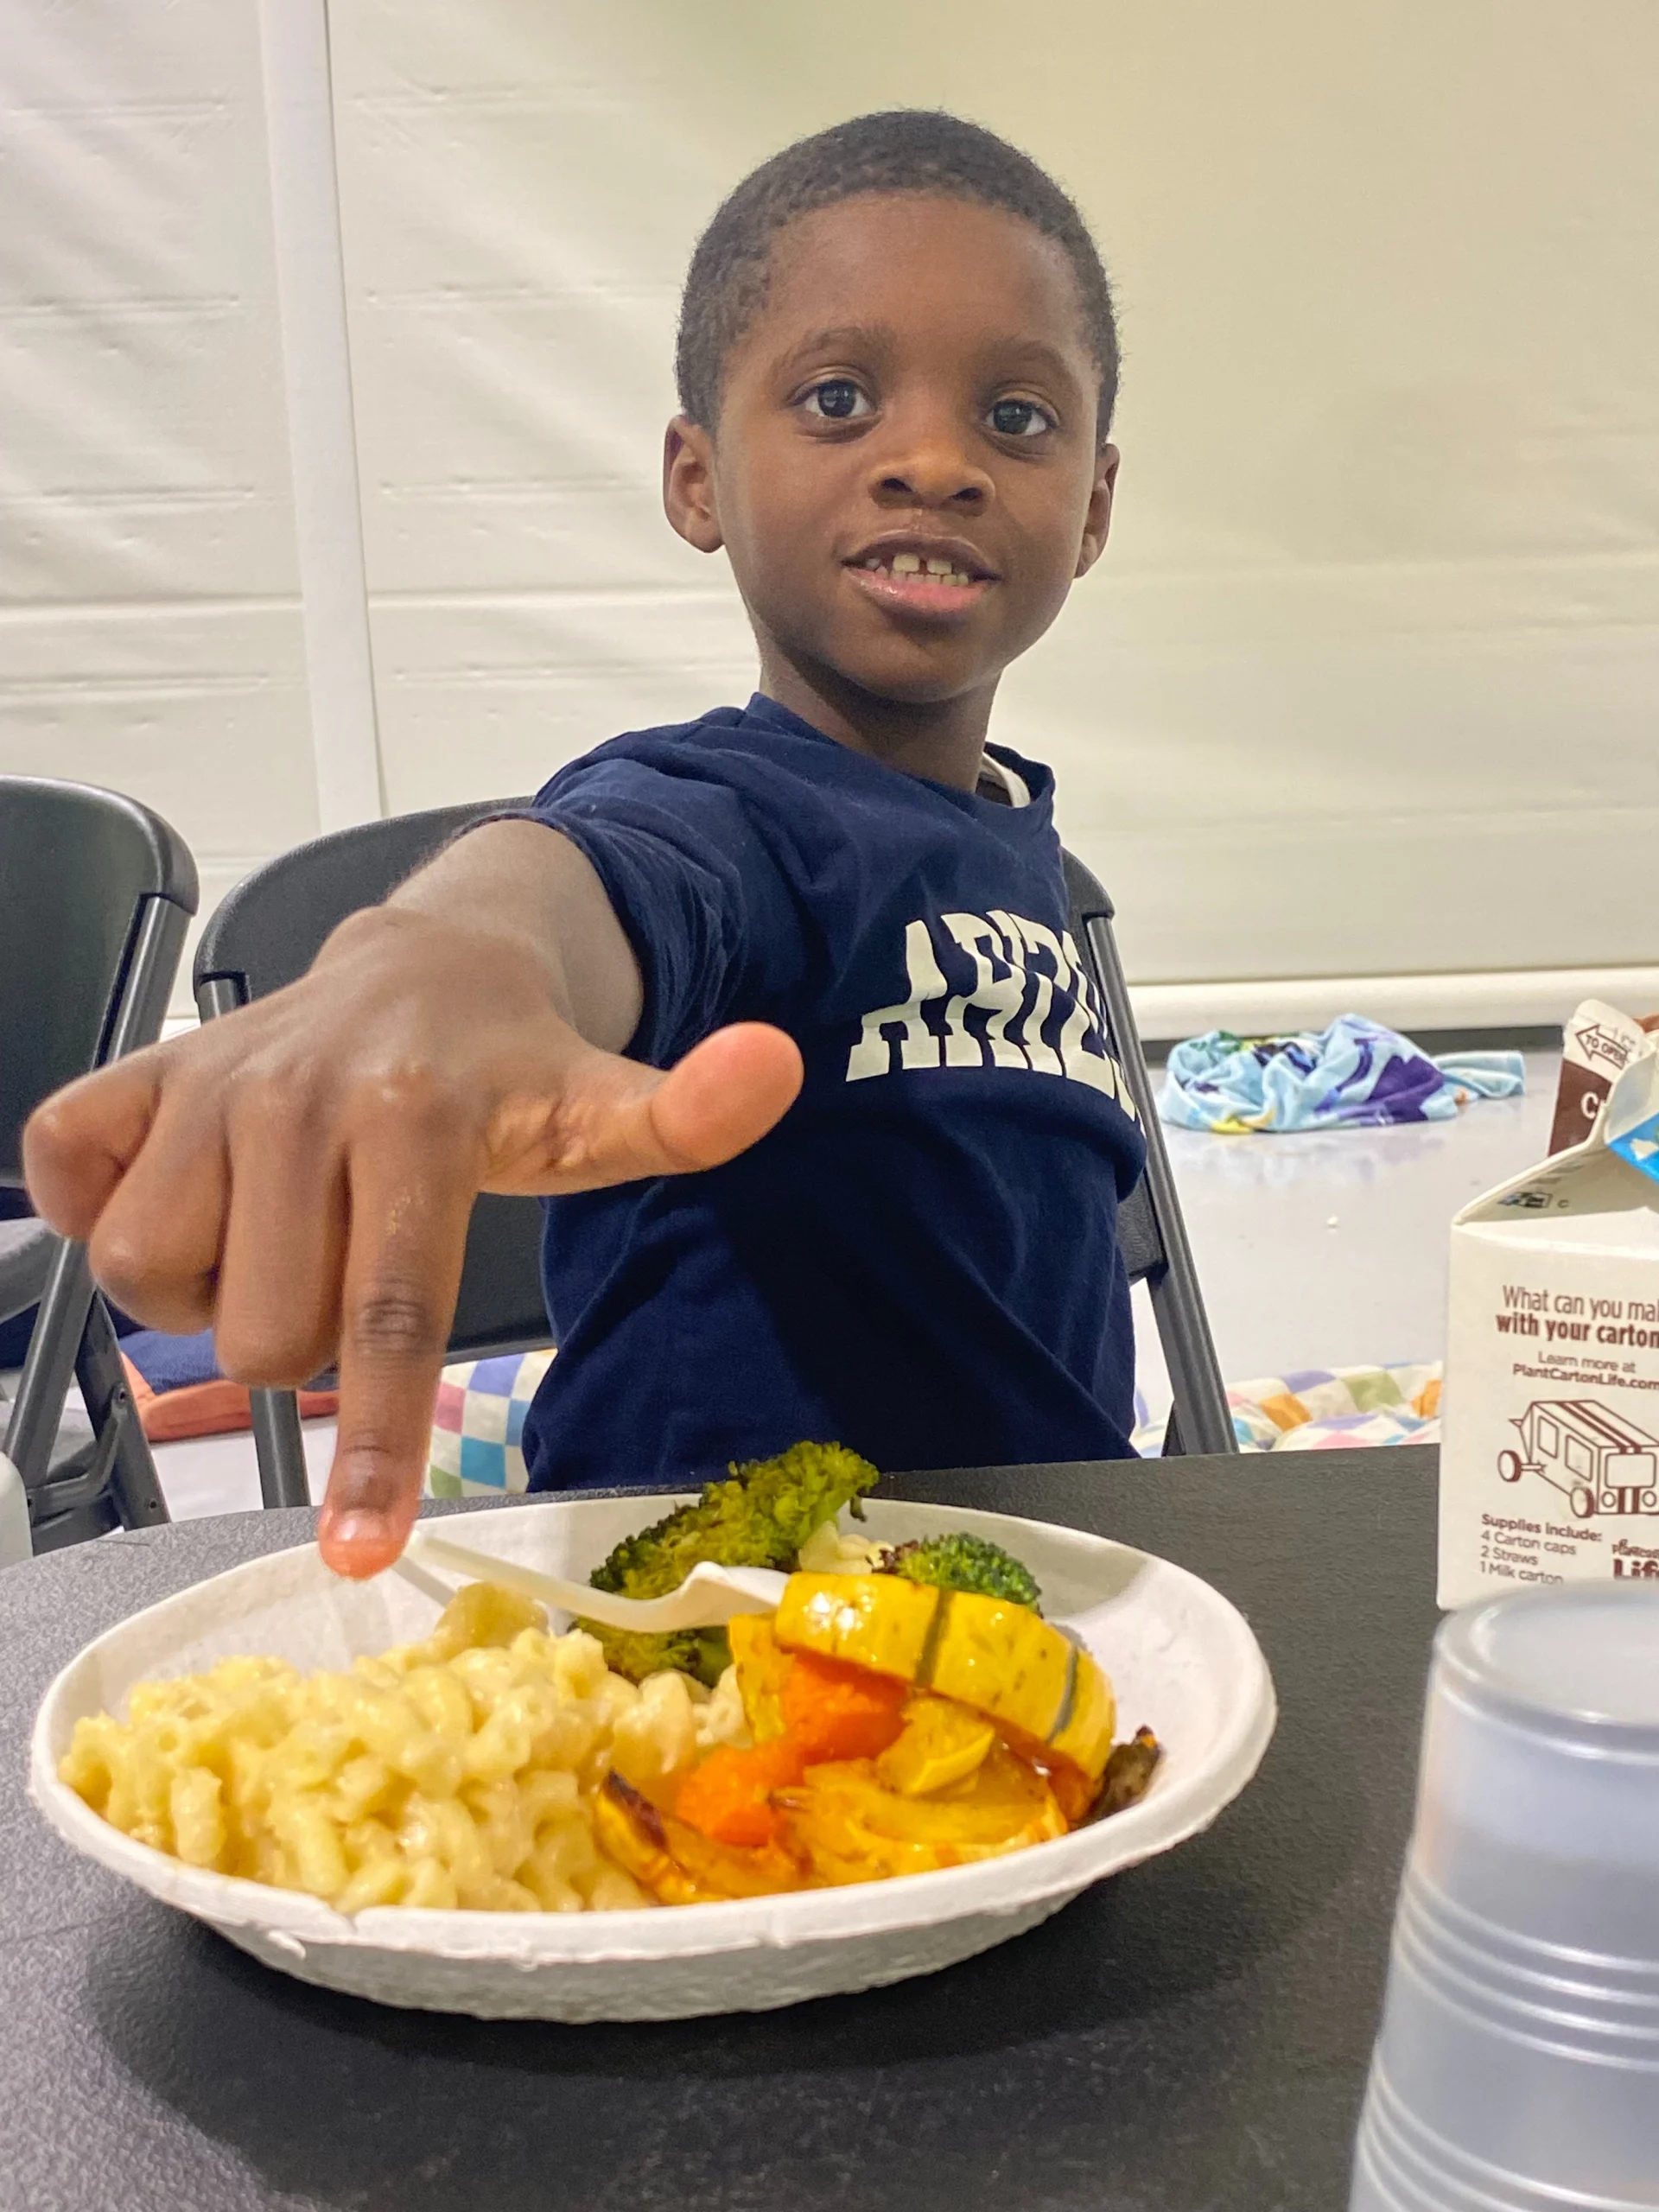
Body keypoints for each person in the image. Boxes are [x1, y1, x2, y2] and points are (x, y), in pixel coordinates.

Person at [24, 111, 1146, 1578]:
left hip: (1049, 1597)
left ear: (1095, 507)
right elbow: (591, 874)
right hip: (707, 1630)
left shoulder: (1021, 845)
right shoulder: (729, 810)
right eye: (837, 398)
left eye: (1016, 417)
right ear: (697, 479)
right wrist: (442, 958)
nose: (934, 460)